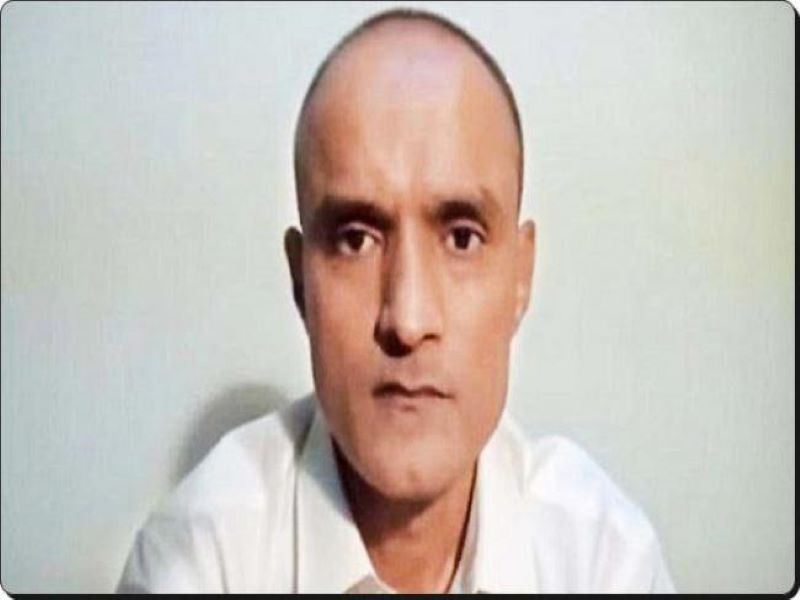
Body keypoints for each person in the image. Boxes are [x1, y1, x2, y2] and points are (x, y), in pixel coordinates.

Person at [117, 8, 675, 593]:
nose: (407, 320)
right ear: (301, 282)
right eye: (355, 240)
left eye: (462, 238)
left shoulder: (605, 561)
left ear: (521, 277)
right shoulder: (198, 560)